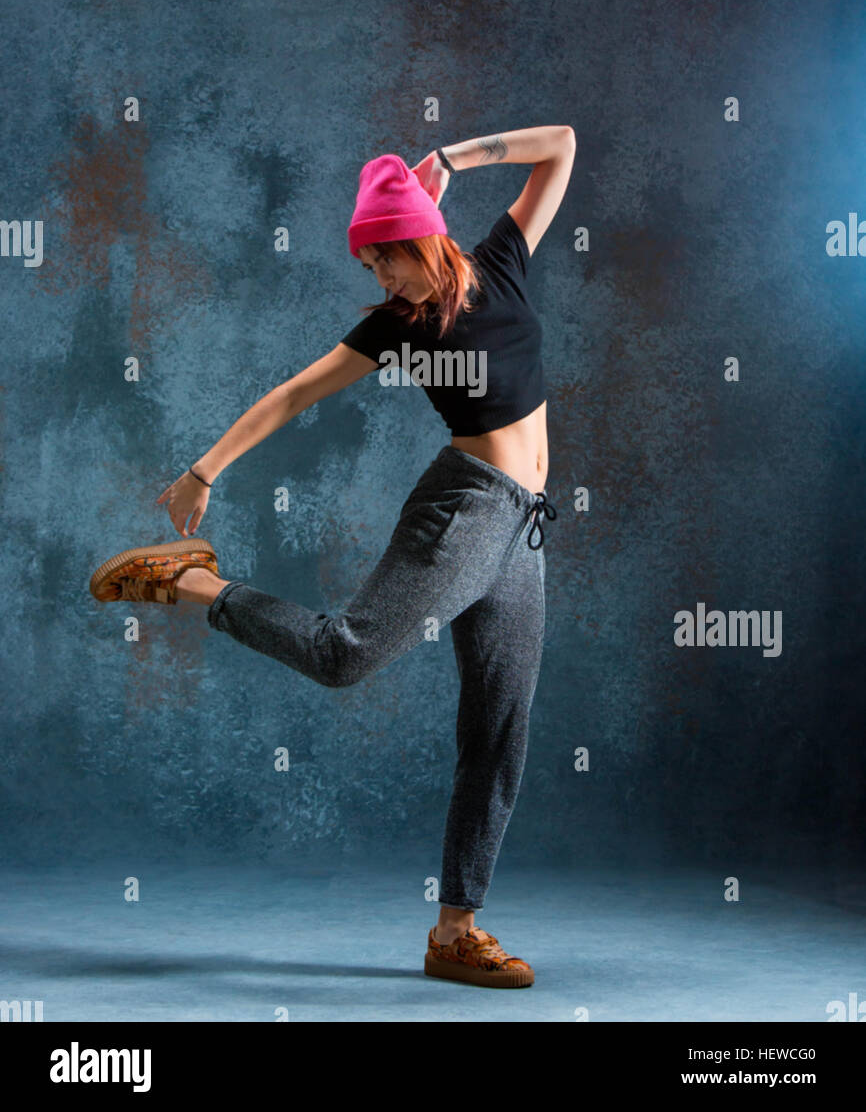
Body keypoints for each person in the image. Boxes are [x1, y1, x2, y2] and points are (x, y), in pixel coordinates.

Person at [89, 125, 577, 989]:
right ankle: (194, 582)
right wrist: (205, 468)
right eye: (370, 267)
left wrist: (455, 160)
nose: (379, 277)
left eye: (383, 257)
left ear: (420, 235)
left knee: (501, 730)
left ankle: (455, 934)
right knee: (344, 656)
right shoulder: (402, 324)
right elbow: (296, 393)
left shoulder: (500, 259)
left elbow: (562, 147)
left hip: (524, 527)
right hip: (463, 509)